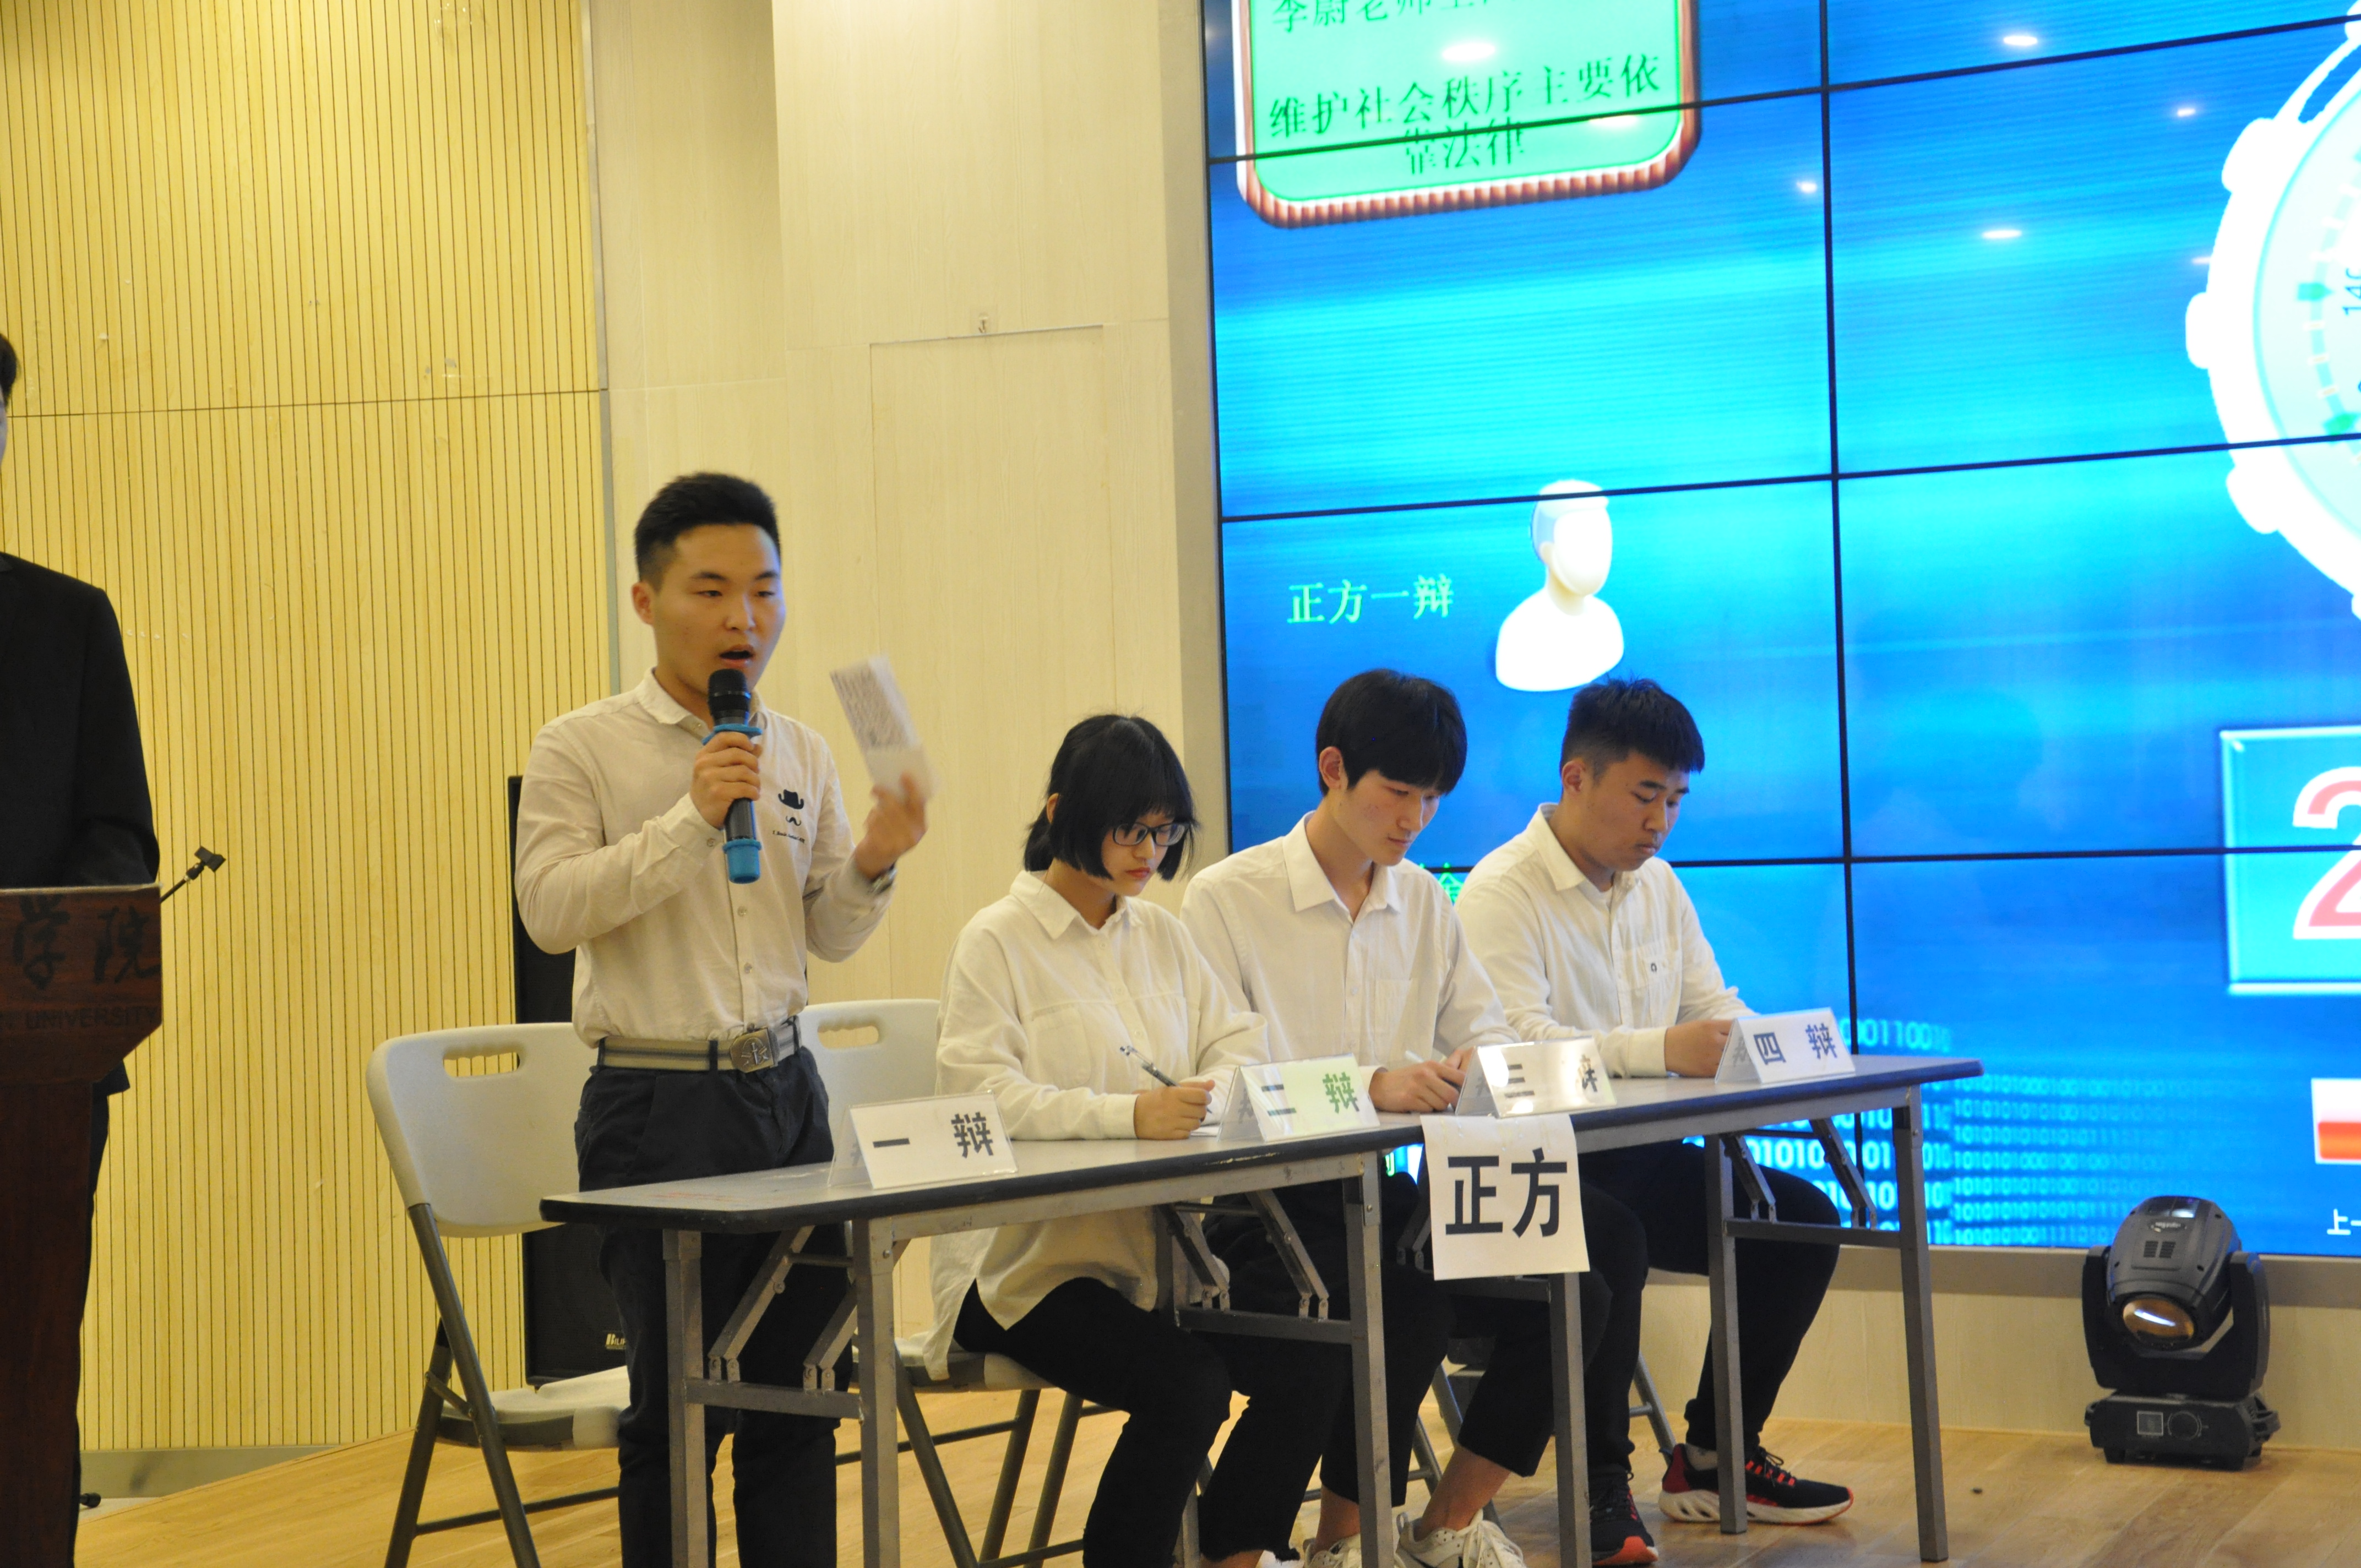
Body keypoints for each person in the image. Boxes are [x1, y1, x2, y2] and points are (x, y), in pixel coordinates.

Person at [514, 471, 927, 1567]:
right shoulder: (581, 747)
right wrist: (692, 817)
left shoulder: (802, 749)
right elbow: (549, 911)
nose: (744, 616)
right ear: (646, 601)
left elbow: (825, 930)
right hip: (656, 1104)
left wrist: (874, 861)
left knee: (801, 1392)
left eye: (764, 590)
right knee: (676, 1410)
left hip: (787, 1095)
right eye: (712, 590)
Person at [1181, 670, 1649, 1568]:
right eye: (1399, 792)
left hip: (1383, 1202)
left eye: (1433, 799)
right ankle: (1341, 1543)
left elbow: (1486, 1034)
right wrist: (1373, 1086)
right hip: (1258, 1212)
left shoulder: (1425, 901)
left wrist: (1479, 1066)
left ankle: (1444, 1527)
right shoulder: (1227, 899)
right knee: (1406, 1305)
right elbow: (1223, 1085)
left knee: (1574, 1294)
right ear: (1333, 769)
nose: (1415, 819)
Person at [920, 715, 1330, 1568]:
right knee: (1188, 1387)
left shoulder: (1162, 935)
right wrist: (1128, 1115)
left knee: (1316, 1360)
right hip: (1023, 1272)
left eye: (1164, 831)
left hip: (1158, 1259)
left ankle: (1236, 1554)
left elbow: (1239, 1043)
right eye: (1130, 831)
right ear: (1060, 813)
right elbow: (983, 1099)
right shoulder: (998, 940)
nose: (1150, 852)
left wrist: (1207, 1094)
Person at [1456, 678, 1853, 1536]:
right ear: (1576, 778)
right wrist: (1660, 1050)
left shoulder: (1659, 887)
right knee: (1614, 1239)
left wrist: (1780, 1046)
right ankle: (1600, 1485)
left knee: (1798, 1220)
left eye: (1675, 801)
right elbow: (1515, 1051)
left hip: (1632, 1155)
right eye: (1644, 796)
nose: (1660, 822)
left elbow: (1713, 1010)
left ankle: (1715, 1454)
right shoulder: (1500, 891)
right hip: (1515, 1168)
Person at [0, 329, 162, 1554]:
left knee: (26, 1371)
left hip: (32, 1077)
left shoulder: (65, 621)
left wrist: (32, 928)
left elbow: (120, 837)